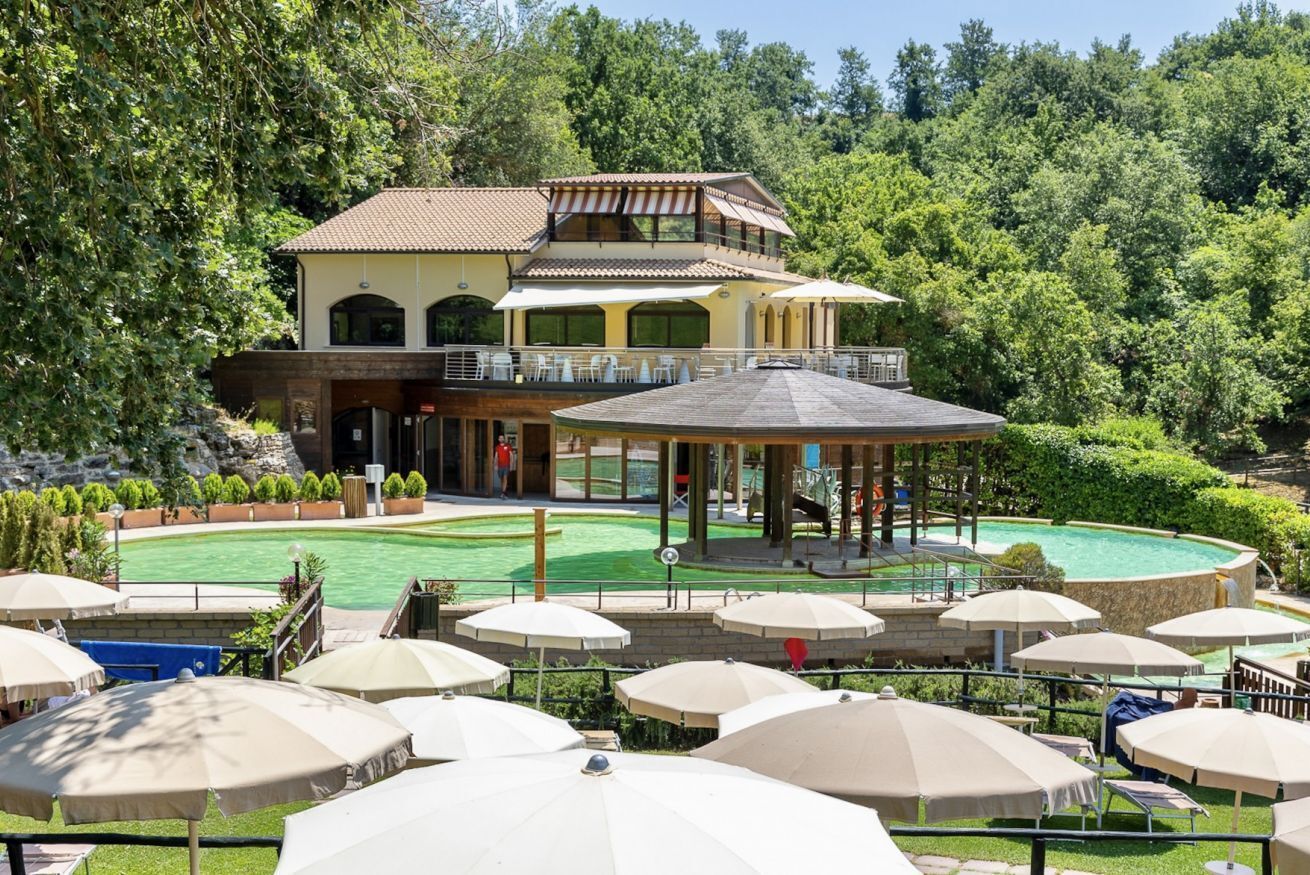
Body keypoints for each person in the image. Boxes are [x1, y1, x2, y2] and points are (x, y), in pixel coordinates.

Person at [495, 434, 514, 499]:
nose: (501, 439)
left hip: (506, 465)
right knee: (501, 479)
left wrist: (511, 465)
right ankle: (504, 492)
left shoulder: (508, 446)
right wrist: (495, 465)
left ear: (504, 439)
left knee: (505, 478)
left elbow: (511, 456)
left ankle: (503, 493)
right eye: (500, 438)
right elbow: (496, 456)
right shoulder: (497, 447)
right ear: (498, 439)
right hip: (500, 465)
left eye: (502, 438)